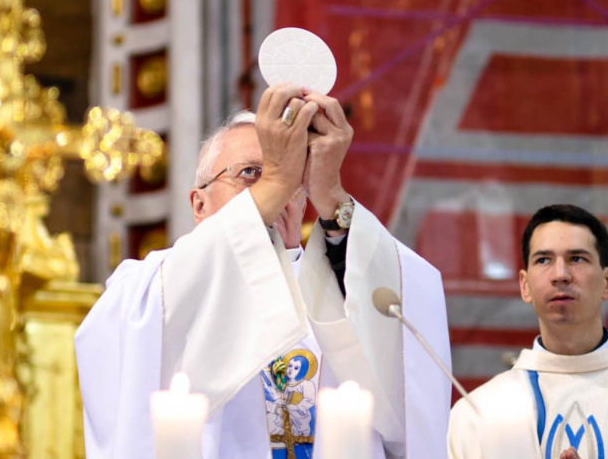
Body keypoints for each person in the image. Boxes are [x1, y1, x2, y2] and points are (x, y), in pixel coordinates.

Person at [75, 84, 452, 459]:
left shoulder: (345, 281)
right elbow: (121, 346)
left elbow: (412, 327)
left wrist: (334, 198)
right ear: (199, 203)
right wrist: (274, 182)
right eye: (252, 172)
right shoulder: (148, 287)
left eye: (293, 177)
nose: (278, 187)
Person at [447, 204, 608, 459]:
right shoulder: (478, 414)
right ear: (525, 286)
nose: (560, 275)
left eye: (576, 259)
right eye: (544, 260)